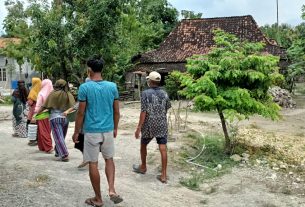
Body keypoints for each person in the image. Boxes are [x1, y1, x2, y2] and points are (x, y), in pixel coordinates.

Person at [72, 56, 123, 206]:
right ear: (102, 69)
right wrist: (115, 127)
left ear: (89, 70)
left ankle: (98, 199)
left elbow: (80, 113)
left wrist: (76, 131)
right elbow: (116, 112)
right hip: (108, 130)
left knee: (93, 163)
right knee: (109, 159)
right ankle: (112, 189)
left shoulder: (85, 88)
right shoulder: (112, 86)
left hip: (91, 131)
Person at [133, 71, 171, 183]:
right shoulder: (165, 93)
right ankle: (163, 175)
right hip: (162, 124)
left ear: (150, 81)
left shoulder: (145, 93)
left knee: (143, 144)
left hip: (149, 125)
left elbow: (143, 112)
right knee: (163, 148)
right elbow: (167, 107)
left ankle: (143, 167)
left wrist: (139, 128)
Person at [40, 79, 75, 161]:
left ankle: (64, 154)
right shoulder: (68, 94)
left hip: (55, 118)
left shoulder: (52, 94)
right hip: (65, 118)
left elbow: (44, 106)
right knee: (61, 136)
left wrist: (37, 114)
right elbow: (73, 106)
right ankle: (57, 151)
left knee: (58, 137)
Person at [64, 77, 91, 168]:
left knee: (82, 142)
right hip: (95, 124)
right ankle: (89, 160)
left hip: (85, 124)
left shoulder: (85, 95)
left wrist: (67, 111)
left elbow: (78, 109)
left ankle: (87, 160)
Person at [34, 79, 53, 153]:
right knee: (46, 130)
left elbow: (38, 106)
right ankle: (42, 146)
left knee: (43, 131)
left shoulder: (41, 93)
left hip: (41, 114)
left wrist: (35, 114)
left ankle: (48, 147)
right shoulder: (52, 93)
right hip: (50, 114)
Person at [27, 77, 42, 146]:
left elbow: (30, 102)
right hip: (40, 111)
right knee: (38, 126)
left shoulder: (32, 91)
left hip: (33, 111)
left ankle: (32, 140)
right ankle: (38, 139)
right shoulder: (42, 90)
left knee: (31, 126)